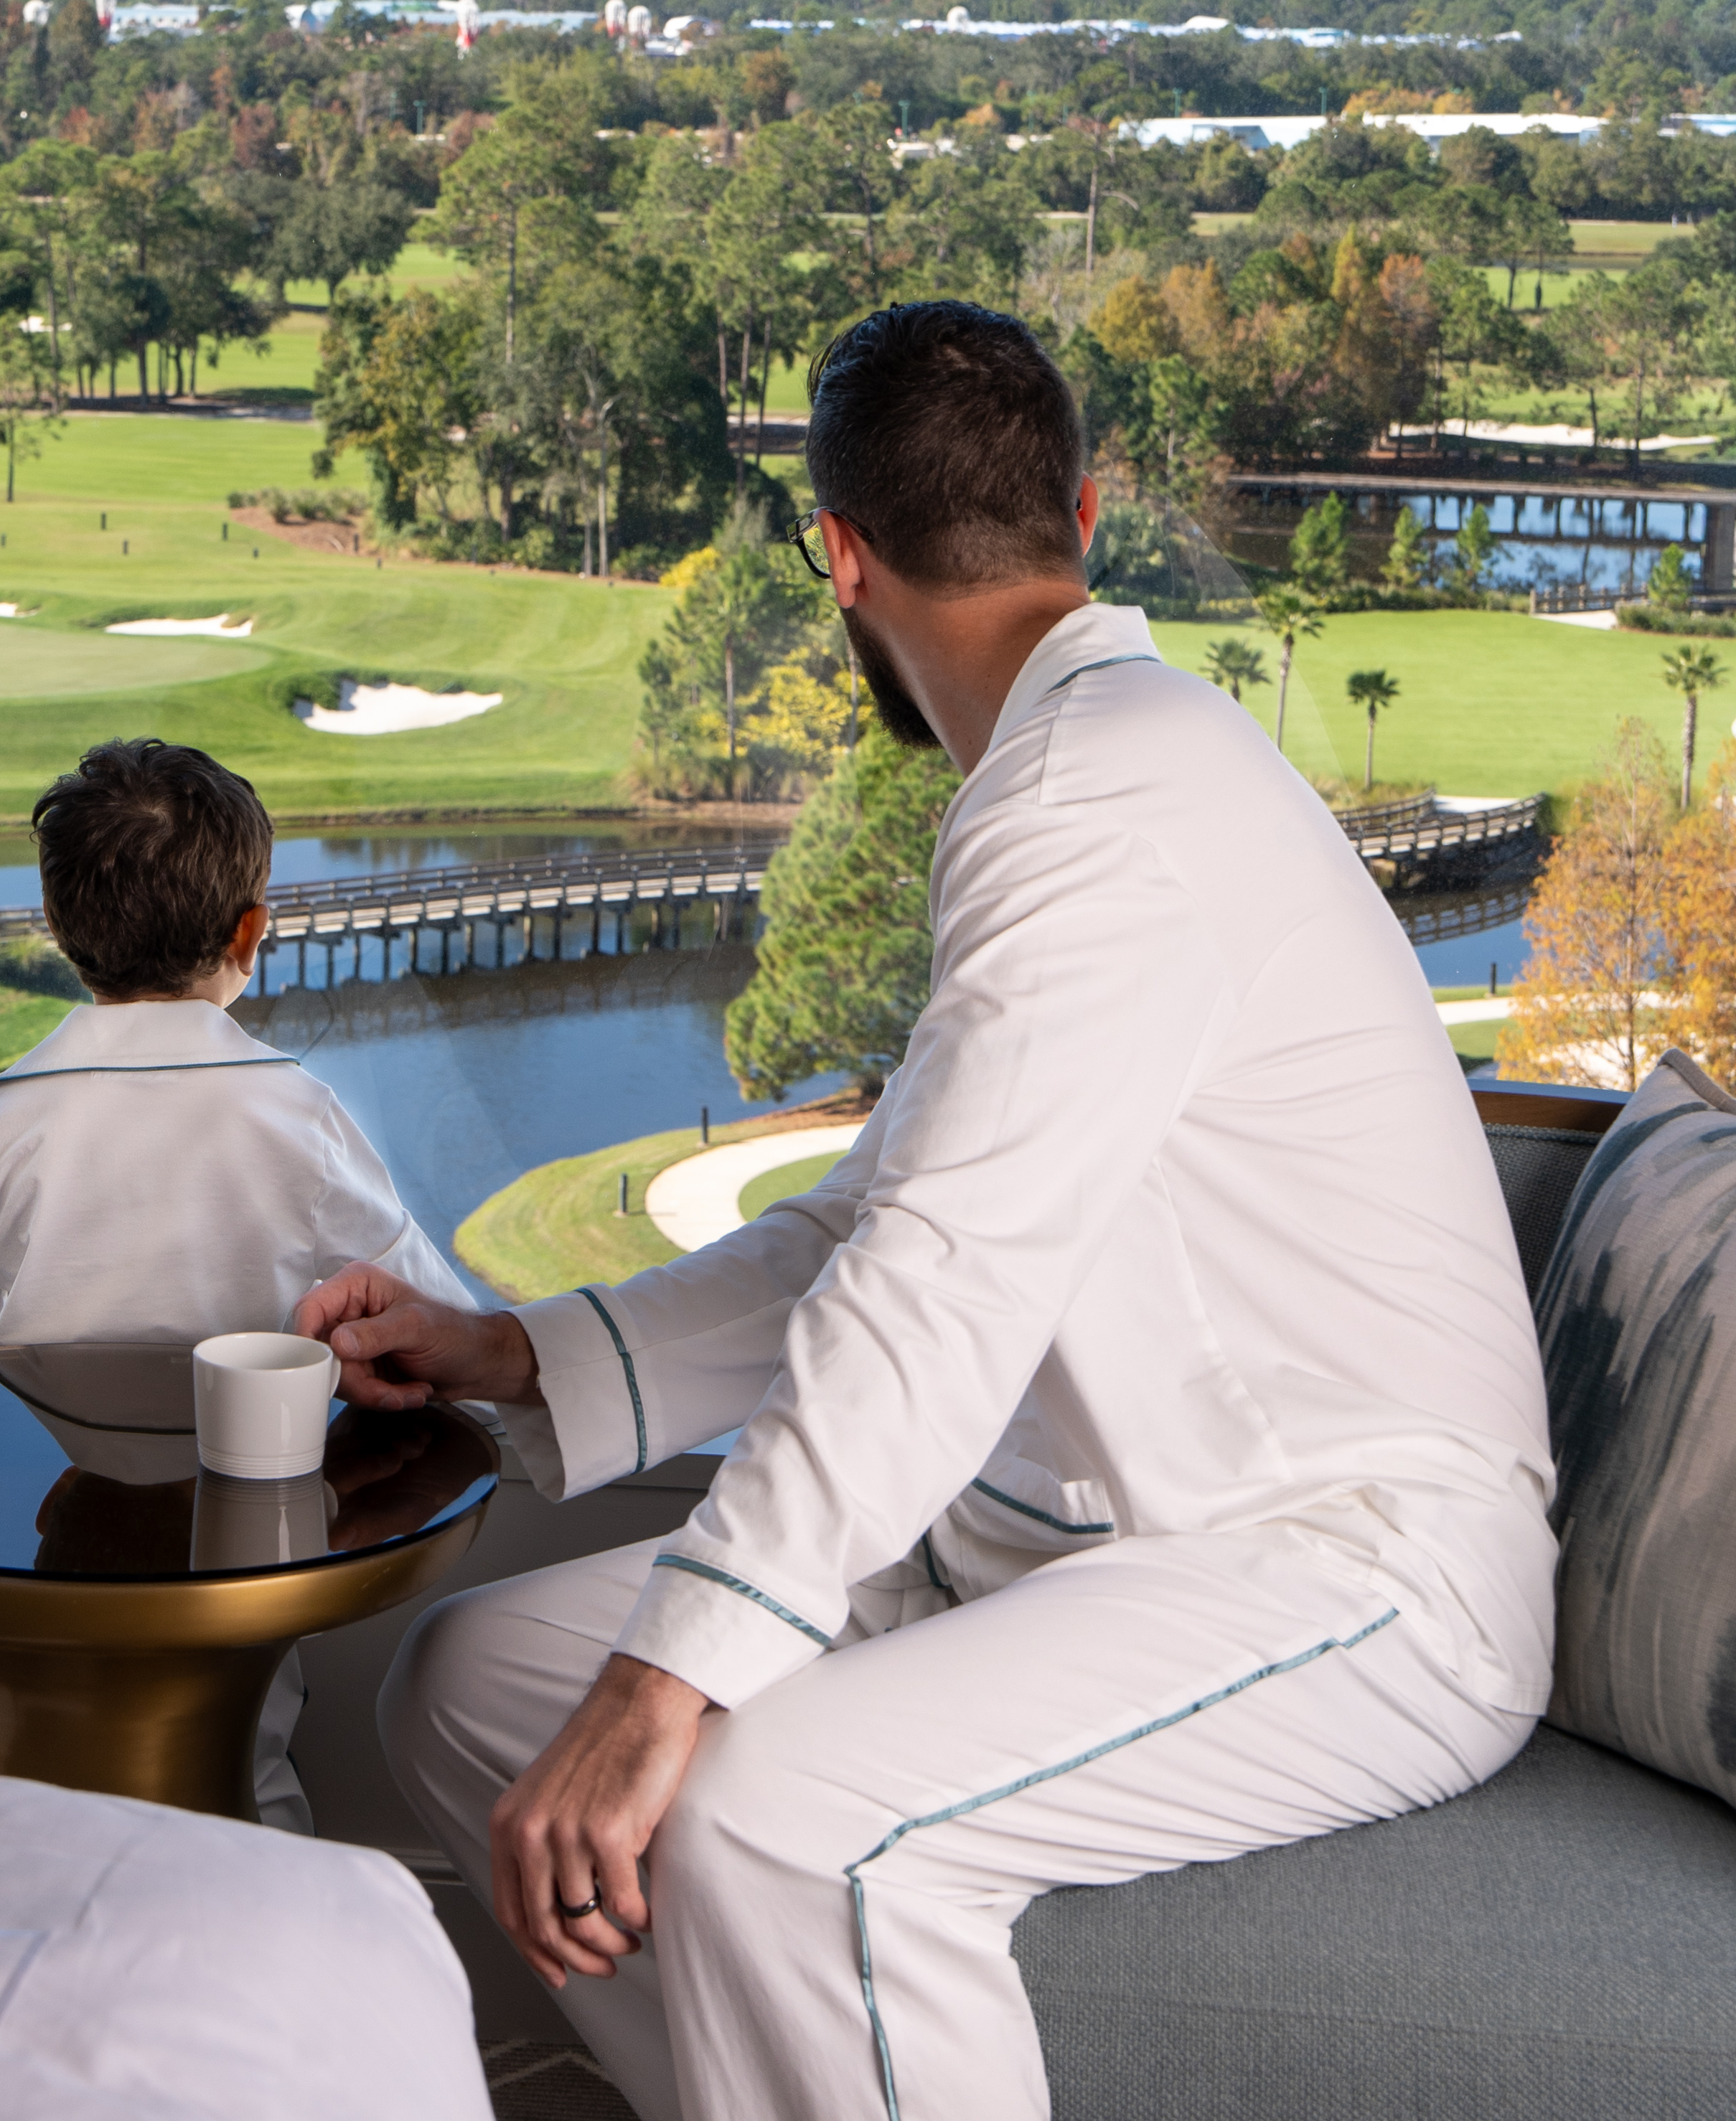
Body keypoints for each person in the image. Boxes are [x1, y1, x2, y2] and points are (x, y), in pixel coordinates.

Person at [298, 304, 1556, 2121]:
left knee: (786, 1827)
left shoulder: (1096, 803)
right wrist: (520, 1350)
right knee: (473, 1681)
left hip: (1341, 1561)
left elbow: (935, 1289)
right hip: (1067, 1539)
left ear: (839, 557)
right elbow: (876, 1225)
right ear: (1086, 511)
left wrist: (673, 1678)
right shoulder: (1078, 777)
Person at [0, 736, 465, 1830]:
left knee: (60, 1763)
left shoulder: (13, 1111)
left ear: (64, 932)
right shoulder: (292, 1111)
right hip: (243, 1527)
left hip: (59, 1516)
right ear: (248, 932)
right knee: (237, 1757)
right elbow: (425, 1311)